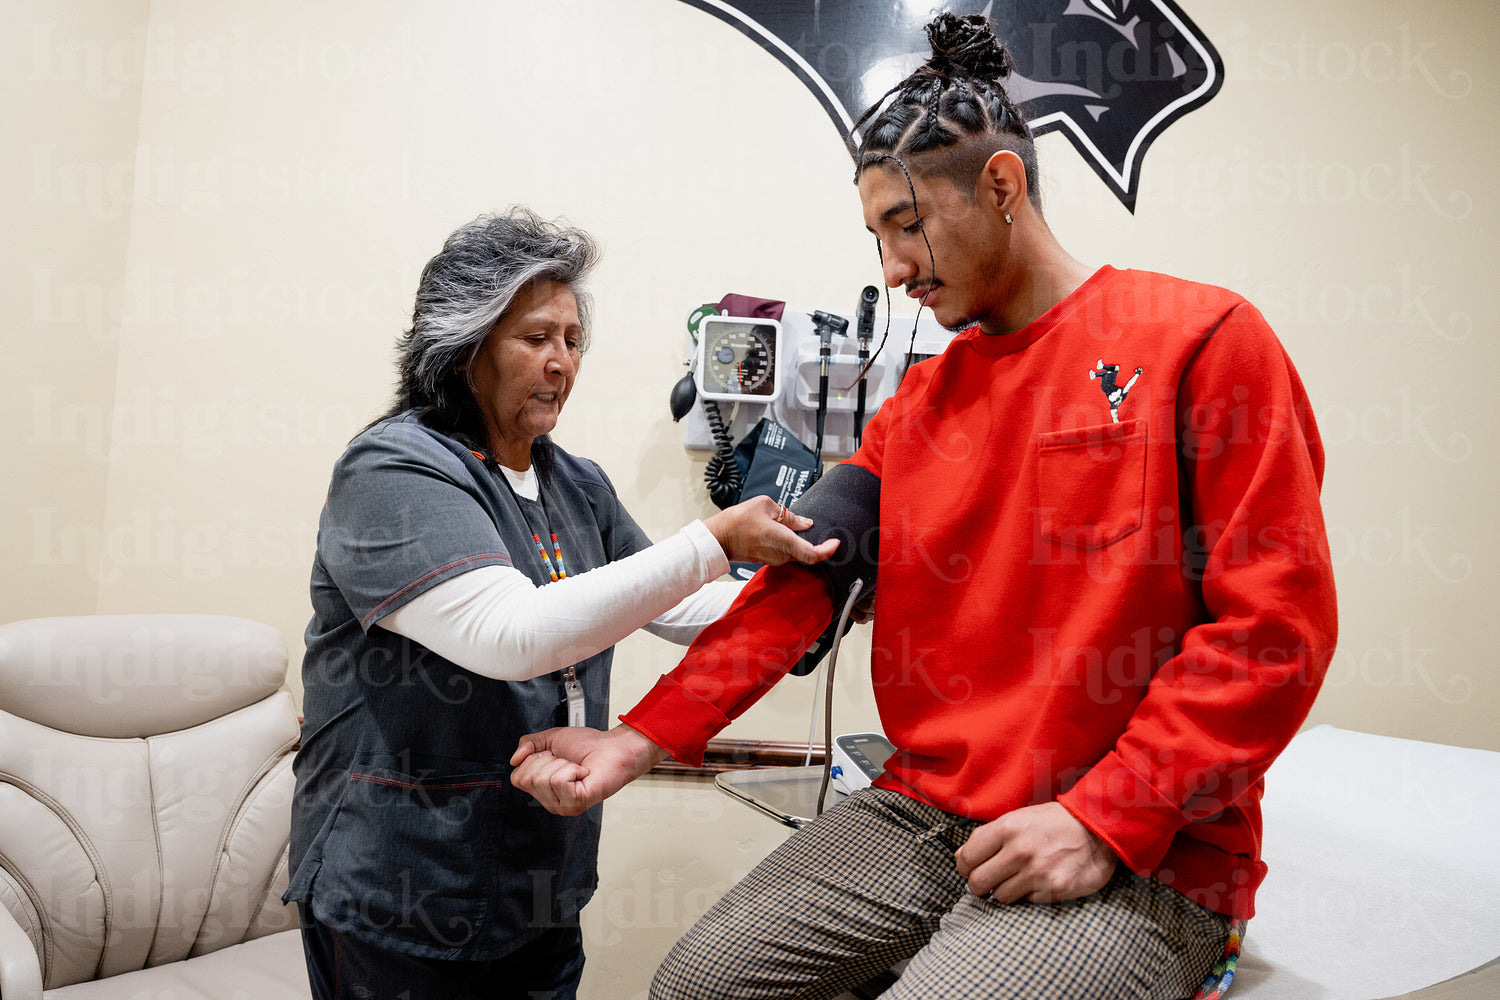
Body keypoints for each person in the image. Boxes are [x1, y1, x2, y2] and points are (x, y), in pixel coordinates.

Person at [510, 13, 1337, 1000]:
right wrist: (636, 738)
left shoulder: (1200, 340)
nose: (892, 270)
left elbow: (1272, 629)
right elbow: (795, 588)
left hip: (1140, 845)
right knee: (693, 985)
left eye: (906, 225)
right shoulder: (915, 412)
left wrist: (1107, 813)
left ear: (999, 186)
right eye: (876, 237)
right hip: (923, 811)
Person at [282, 207, 837, 1000]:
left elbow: (680, 604)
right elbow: (513, 635)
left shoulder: (576, 483)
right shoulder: (392, 473)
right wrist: (714, 537)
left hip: (537, 885)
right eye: (536, 338)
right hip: (398, 888)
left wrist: (830, 590)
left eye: (573, 341)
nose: (561, 363)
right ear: (465, 347)